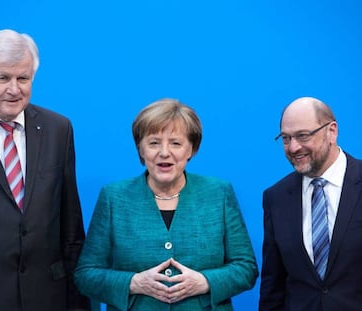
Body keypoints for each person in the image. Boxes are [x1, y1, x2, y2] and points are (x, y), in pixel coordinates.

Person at [0, 29, 90, 310]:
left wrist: (78, 302)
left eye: (23, 78)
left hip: (46, 297)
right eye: (3, 78)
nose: (14, 89)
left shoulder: (58, 129)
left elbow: (70, 227)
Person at [74, 98, 258, 310]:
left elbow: (246, 268)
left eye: (175, 143)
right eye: (154, 143)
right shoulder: (113, 197)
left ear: (191, 150)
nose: (164, 152)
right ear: (141, 150)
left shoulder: (219, 193)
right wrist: (133, 283)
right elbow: (86, 274)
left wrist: (205, 282)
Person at [259, 96, 362, 311]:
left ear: (331, 132)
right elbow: (273, 286)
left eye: (302, 136)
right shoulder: (275, 198)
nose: (293, 147)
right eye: (285, 138)